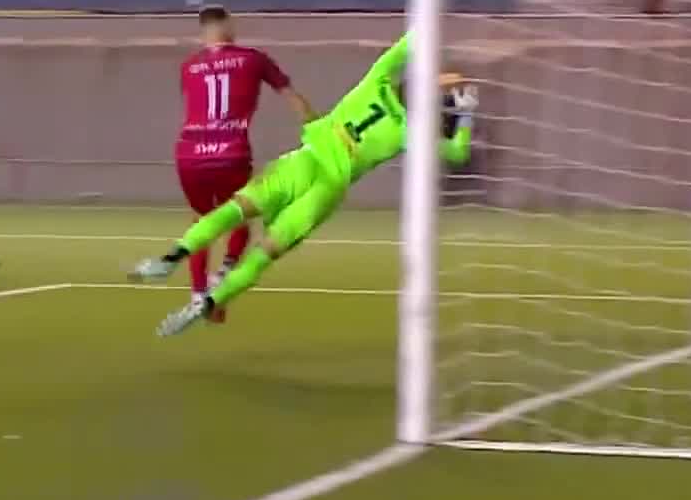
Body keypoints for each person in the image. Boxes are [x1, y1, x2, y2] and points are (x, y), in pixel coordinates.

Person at [131, 35, 477, 335]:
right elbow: (459, 153)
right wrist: (466, 113)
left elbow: (410, 41)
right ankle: (207, 304)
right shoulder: (410, 132)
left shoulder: (377, 80)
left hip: (301, 163)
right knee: (264, 253)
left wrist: (438, 65)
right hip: (325, 190)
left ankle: (170, 258)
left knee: (232, 211)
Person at [175, 6, 316, 306]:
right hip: (231, 153)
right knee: (241, 214)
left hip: (189, 155)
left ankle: (197, 293)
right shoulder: (254, 59)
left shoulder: (189, 67)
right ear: (228, 26)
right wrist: (317, 128)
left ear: (202, 32)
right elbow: (290, 96)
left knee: (201, 222)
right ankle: (224, 274)